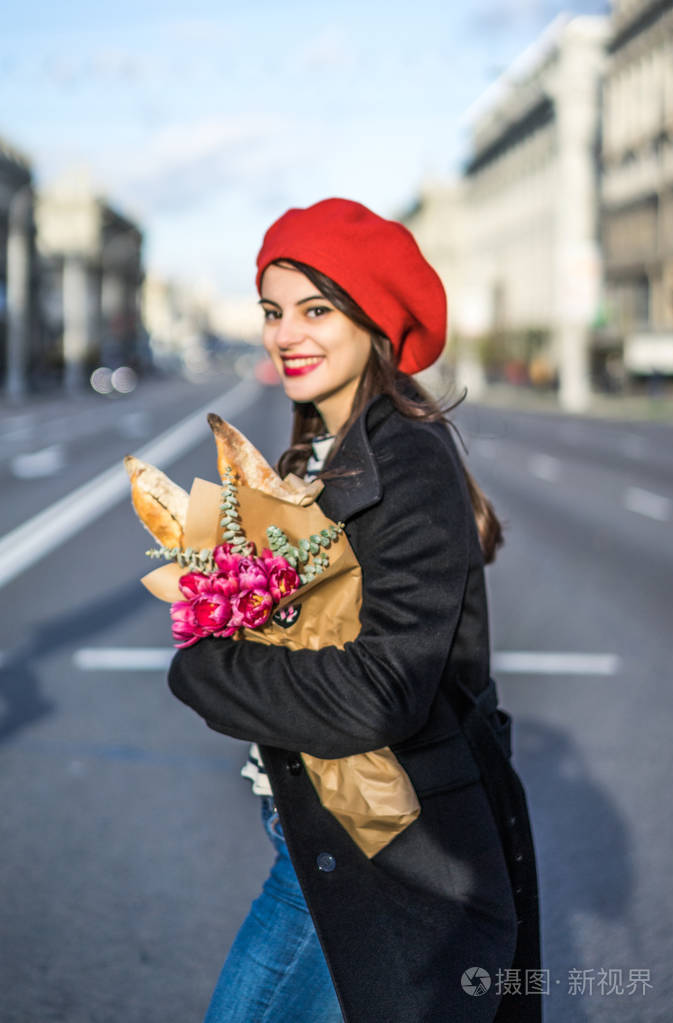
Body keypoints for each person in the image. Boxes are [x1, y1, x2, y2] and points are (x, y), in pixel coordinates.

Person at [168, 198, 542, 1023]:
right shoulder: (314, 453)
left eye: (315, 309)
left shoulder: (406, 458)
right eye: (272, 310)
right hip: (327, 842)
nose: (284, 333)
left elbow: (382, 690)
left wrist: (208, 666)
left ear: (371, 319)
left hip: (385, 857)